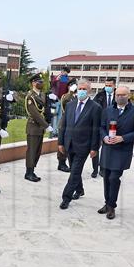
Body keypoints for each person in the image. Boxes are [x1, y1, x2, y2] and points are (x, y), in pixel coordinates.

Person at [97, 86, 134, 219]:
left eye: (123, 95)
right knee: (106, 177)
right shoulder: (108, 110)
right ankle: (107, 203)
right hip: (108, 148)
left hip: (122, 150)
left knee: (114, 178)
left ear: (129, 95)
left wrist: (123, 138)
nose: (120, 97)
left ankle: (112, 206)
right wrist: (104, 137)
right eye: (118, 94)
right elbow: (101, 127)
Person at [58, 78, 101, 209]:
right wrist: (60, 142)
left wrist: (94, 147)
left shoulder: (95, 108)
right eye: (80, 89)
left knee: (75, 171)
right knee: (74, 170)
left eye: (84, 89)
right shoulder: (70, 105)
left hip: (84, 145)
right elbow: (63, 125)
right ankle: (80, 189)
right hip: (68, 143)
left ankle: (66, 197)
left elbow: (96, 129)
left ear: (89, 91)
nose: (82, 91)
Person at [24, 73, 54, 182]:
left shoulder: (41, 95)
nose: (41, 83)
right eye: (39, 82)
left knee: (37, 151)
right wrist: (46, 125)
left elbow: (45, 110)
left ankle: (32, 170)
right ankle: (29, 172)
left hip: (40, 128)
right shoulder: (30, 96)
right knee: (32, 151)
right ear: (33, 83)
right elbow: (35, 113)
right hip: (33, 127)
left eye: (42, 82)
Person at [56, 80, 77, 172]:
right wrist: (71, 92)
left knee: (70, 144)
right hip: (65, 123)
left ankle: (69, 163)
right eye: (72, 85)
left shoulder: (77, 97)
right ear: (69, 86)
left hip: (74, 124)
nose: (74, 87)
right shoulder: (66, 96)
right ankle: (61, 163)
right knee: (63, 144)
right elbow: (65, 103)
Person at [49, 66, 71, 136]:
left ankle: (57, 132)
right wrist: (55, 80)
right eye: (62, 71)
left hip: (61, 101)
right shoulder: (57, 77)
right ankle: (53, 132)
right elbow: (51, 85)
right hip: (54, 100)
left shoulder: (67, 80)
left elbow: (68, 91)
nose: (63, 72)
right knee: (53, 116)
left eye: (65, 72)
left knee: (59, 117)